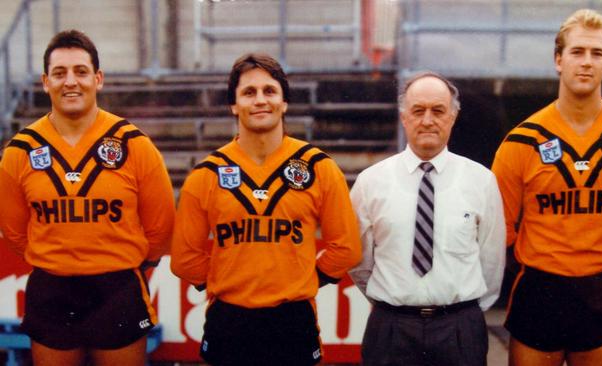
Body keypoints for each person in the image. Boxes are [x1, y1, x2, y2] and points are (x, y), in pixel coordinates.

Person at [170, 52, 362, 366]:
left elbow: (347, 248)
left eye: (269, 91)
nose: (260, 100)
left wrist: (301, 279)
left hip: (292, 319)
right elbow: (183, 258)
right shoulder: (206, 173)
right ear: (233, 105)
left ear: (284, 102)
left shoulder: (319, 167)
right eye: (249, 92)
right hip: (228, 319)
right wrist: (233, 278)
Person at [0, 30, 175, 366]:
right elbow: (14, 232)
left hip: (117, 288)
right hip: (51, 289)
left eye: (80, 71)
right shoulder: (20, 151)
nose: (71, 82)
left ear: (98, 79)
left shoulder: (134, 144)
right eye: (60, 73)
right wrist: (61, 259)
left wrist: (119, 264)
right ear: (45, 82)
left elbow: (162, 226)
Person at [492, 9, 602, 366]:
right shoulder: (521, 141)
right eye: (577, 52)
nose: (586, 62)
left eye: (597, 54)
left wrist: (597, 266)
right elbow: (499, 231)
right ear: (558, 60)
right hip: (538, 292)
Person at [349, 71, 506, 366]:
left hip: (459, 329)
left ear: (453, 117)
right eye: (418, 111)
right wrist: (395, 301)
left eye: (438, 111)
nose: (428, 120)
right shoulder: (370, 182)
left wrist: (460, 311)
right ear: (403, 117)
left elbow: (491, 262)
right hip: (392, 328)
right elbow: (360, 262)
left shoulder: (481, 181)